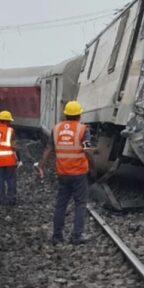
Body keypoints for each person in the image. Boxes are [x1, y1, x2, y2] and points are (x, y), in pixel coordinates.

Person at [37, 101, 94, 245]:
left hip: (63, 173)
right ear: (79, 115)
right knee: (80, 204)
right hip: (79, 173)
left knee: (61, 204)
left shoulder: (56, 129)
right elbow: (87, 150)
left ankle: (57, 236)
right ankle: (77, 236)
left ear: (65, 114)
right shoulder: (83, 129)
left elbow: (49, 148)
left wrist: (41, 166)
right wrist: (94, 165)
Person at [0, 110, 18, 205]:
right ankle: (11, 198)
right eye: (9, 121)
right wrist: (18, 157)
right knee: (11, 179)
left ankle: (0, 199)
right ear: (7, 121)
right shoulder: (11, 131)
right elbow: (13, 146)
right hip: (9, 160)